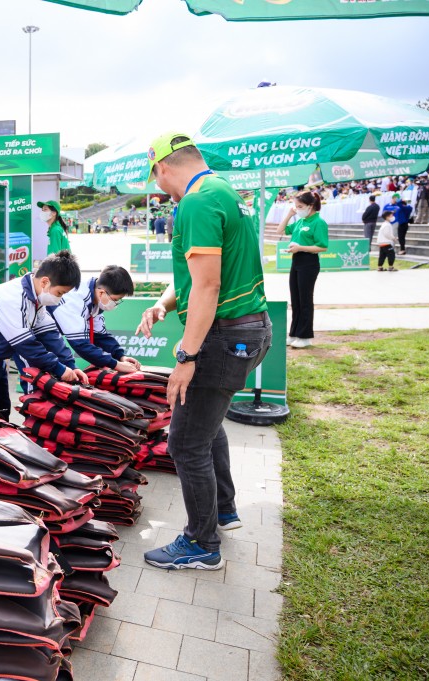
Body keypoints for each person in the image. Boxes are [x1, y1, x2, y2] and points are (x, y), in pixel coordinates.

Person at [135, 133, 272, 571]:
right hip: (248, 329)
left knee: (184, 441)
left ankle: (201, 543)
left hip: (222, 336)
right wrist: (162, 303)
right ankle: (224, 510)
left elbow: (209, 286)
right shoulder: (222, 190)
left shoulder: (195, 202)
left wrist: (186, 358)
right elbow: (199, 275)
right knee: (208, 425)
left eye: (158, 181)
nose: (161, 191)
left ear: (163, 168)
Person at [0, 250, 88, 419]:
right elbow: (27, 346)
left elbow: (49, 334)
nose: (59, 299)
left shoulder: (36, 297)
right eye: (60, 293)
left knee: (2, 409)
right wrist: (60, 369)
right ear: (45, 282)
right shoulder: (13, 298)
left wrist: (71, 365)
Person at [50, 264, 141, 371]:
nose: (116, 304)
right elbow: (81, 344)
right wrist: (116, 365)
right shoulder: (76, 299)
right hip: (33, 337)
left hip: (49, 338)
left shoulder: (95, 301)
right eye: (116, 300)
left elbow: (100, 336)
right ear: (102, 292)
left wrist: (121, 357)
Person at [275, 190, 328, 350]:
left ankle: (305, 336)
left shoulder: (318, 222)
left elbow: (322, 247)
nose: (298, 209)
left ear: (310, 206)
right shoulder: (300, 221)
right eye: (296, 206)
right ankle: (294, 334)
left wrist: (300, 248)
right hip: (296, 260)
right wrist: (290, 214)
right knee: (295, 299)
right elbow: (280, 231)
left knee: (305, 299)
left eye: (300, 206)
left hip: (309, 262)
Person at [376, 207, 400, 271]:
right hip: (386, 243)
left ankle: (380, 267)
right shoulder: (387, 225)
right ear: (387, 217)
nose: (392, 217)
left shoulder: (384, 224)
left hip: (382, 243)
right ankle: (391, 267)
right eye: (391, 216)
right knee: (391, 254)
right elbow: (387, 234)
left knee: (382, 256)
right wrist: (393, 238)